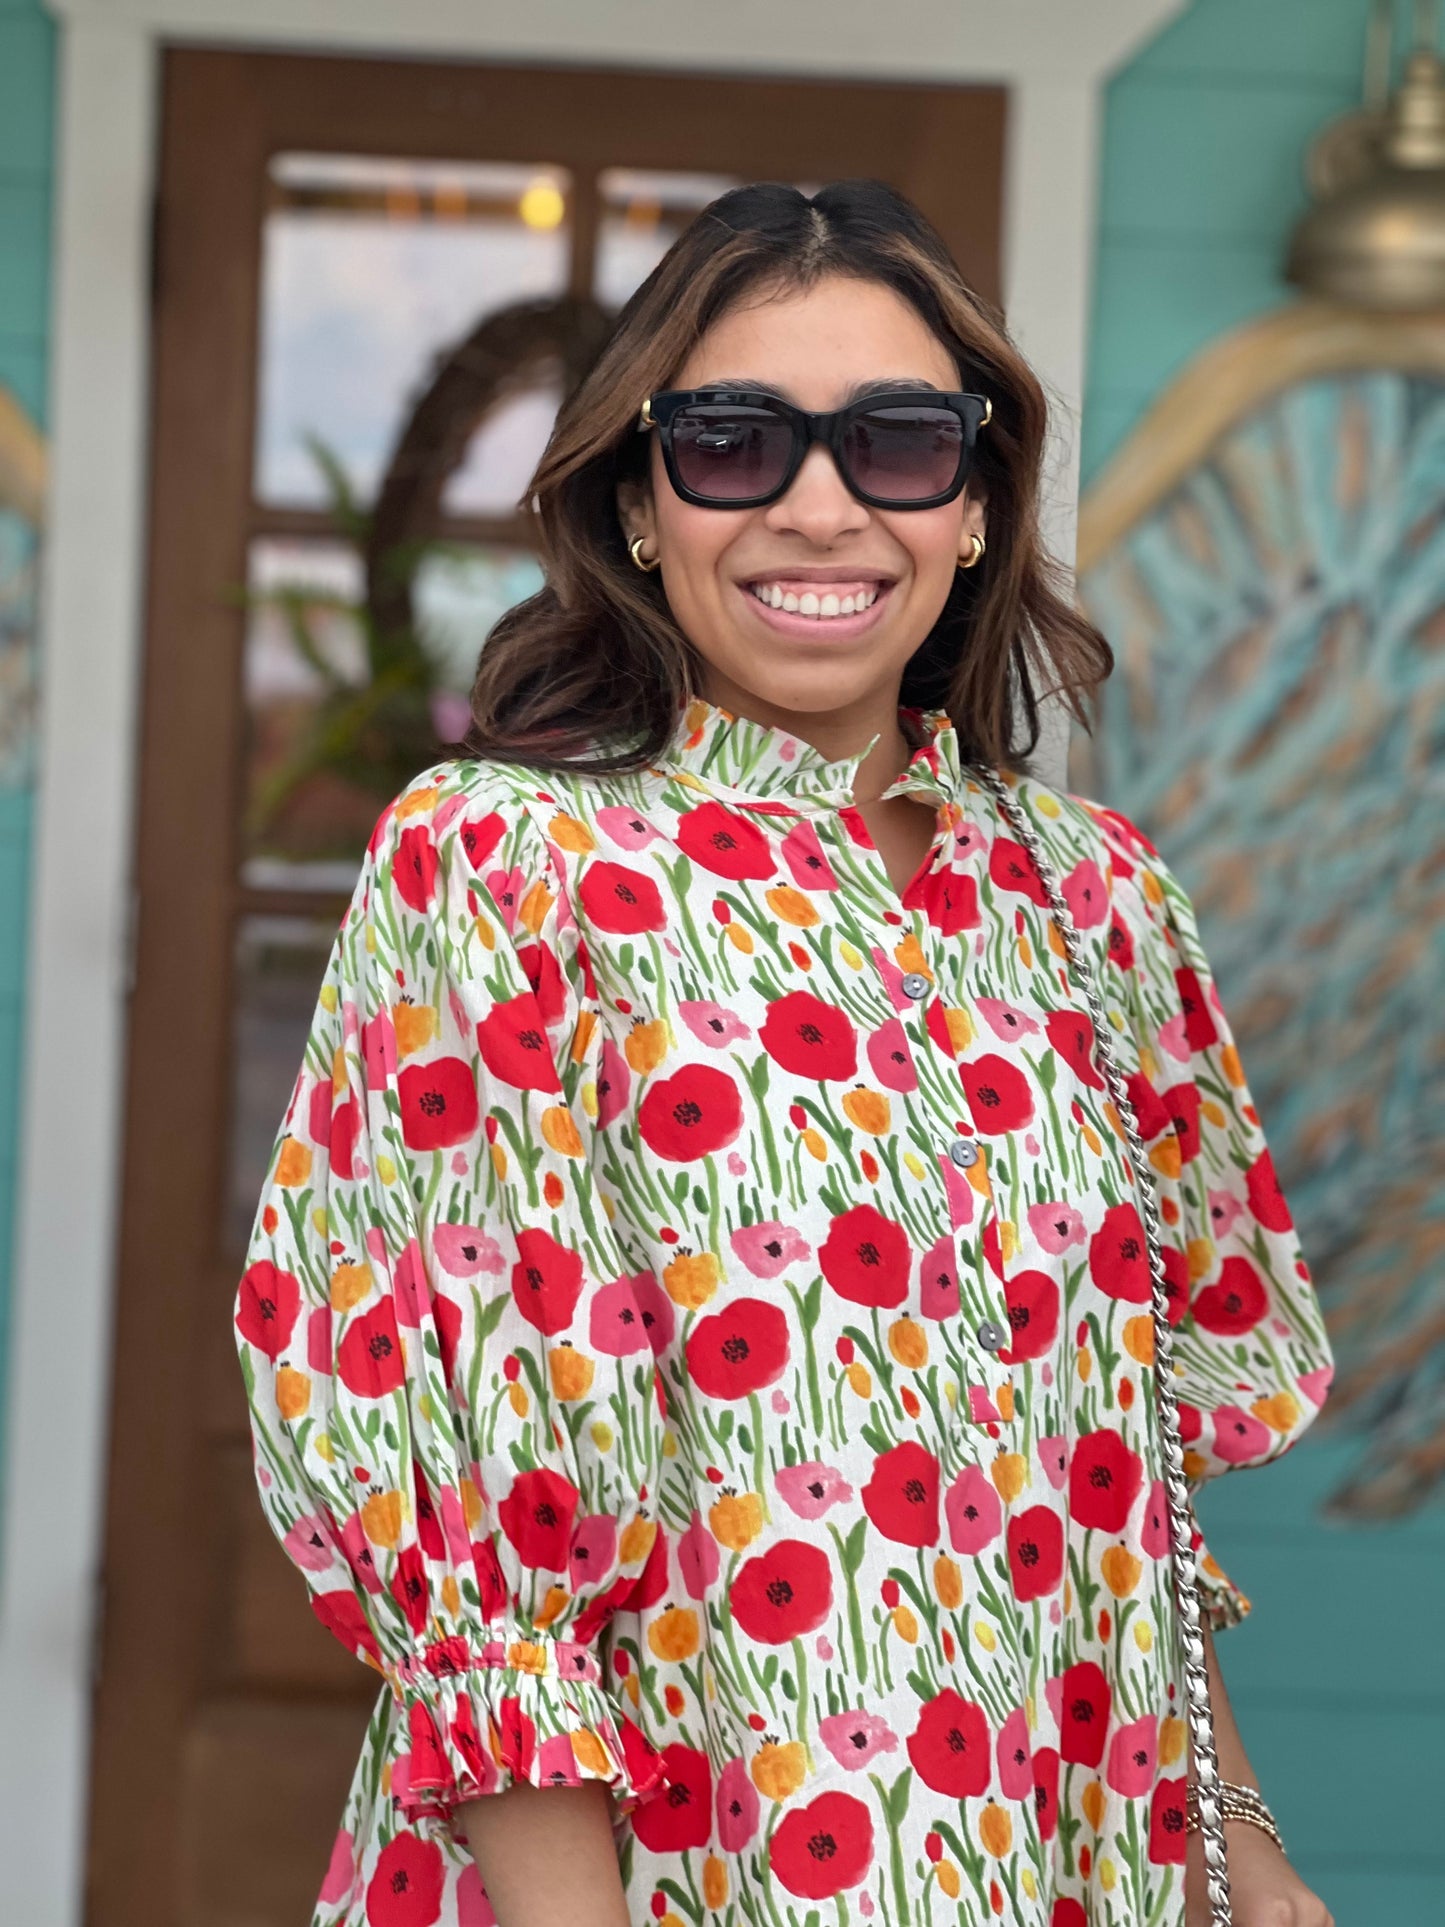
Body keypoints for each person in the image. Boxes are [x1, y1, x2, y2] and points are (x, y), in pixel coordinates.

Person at [236, 181, 1336, 1927]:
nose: (820, 507)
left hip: (1069, 1863)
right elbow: (471, 1516)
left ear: (973, 505)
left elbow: (1130, 1468)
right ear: (640, 503)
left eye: (899, 442)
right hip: (673, 1875)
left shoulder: (1094, 900)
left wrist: (1242, 1847)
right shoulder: (512, 869)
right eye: (734, 441)